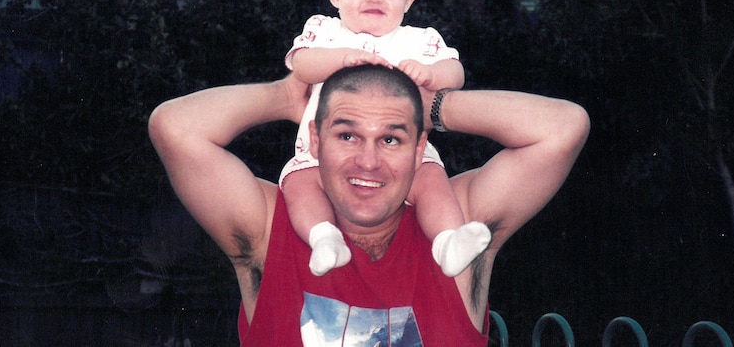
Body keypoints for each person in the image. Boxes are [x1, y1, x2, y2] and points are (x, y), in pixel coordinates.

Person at [148, 65, 590, 345]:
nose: (369, 161)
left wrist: (431, 106)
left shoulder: (455, 226)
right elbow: (174, 127)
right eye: (347, 135)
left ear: (419, 151)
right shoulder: (271, 227)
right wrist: (288, 99)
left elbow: (563, 128)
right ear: (315, 142)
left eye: (392, 139)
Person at [282, 0, 490, 278]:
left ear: (408, 0)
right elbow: (301, 63)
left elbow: (455, 71)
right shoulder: (327, 31)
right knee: (300, 184)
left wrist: (429, 73)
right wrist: (342, 58)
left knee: (432, 180)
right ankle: (324, 239)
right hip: (322, 152)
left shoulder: (418, 40)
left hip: (405, 154)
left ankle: (448, 243)